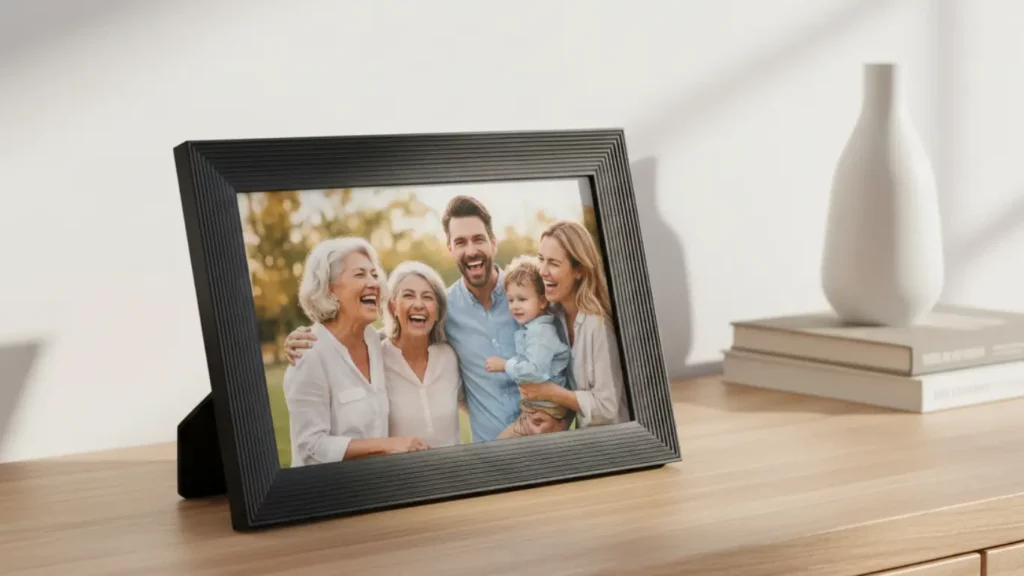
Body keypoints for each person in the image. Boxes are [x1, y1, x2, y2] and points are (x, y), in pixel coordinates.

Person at [284, 196, 566, 442]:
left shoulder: (533, 293)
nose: (470, 250)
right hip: (491, 455)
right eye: (460, 242)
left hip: (551, 440)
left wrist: (561, 419)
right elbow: (400, 333)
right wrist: (315, 336)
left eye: (478, 239)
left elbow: (568, 360)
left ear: (493, 243)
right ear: (450, 249)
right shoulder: (446, 309)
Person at [283, 237, 429, 467]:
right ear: (330, 289)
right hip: (325, 496)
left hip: (373, 487)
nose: (373, 282)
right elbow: (310, 447)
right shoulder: (308, 354)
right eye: (360, 274)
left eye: (374, 274)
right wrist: (389, 444)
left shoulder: (375, 341)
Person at [516, 220, 630, 428]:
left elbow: (607, 408)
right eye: (541, 259)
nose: (542, 270)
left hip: (617, 441)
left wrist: (551, 393)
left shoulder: (598, 326)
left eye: (554, 263)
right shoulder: (553, 316)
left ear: (579, 270)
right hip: (584, 439)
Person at [484, 254, 573, 440]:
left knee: (500, 444)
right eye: (511, 300)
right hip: (537, 407)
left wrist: (505, 365)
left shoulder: (541, 332)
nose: (515, 306)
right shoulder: (531, 328)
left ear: (542, 301)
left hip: (544, 410)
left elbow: (535, 371)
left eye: (522, 299)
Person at [380, 260, 463, 449]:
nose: (418, 304)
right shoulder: (376, 358)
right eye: (408, 296)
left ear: (438, 310)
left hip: (452, 473)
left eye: (427, 297)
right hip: (399, 475)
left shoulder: (450, 356)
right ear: (393, 307)